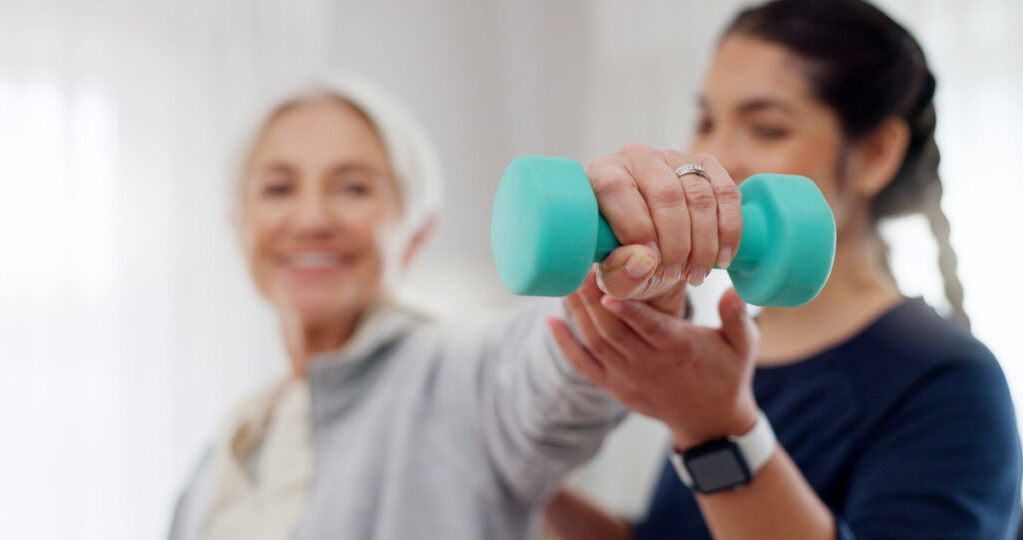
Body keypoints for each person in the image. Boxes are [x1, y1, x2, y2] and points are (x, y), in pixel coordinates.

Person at [165, 75, 741, 540]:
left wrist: (629, 280)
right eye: (278, 188)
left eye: (353, 187)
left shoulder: (456, 375)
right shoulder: (229, 450)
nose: (312, 218)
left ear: (417, 230)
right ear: (239, 225)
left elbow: (554, 367)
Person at [542, 1, 1022, 539]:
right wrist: (525, 482)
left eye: (767, 129)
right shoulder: (721, 355)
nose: (715, 163)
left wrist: (714, 431)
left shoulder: (952, 381)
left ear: (874, 155)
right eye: (706, 122)